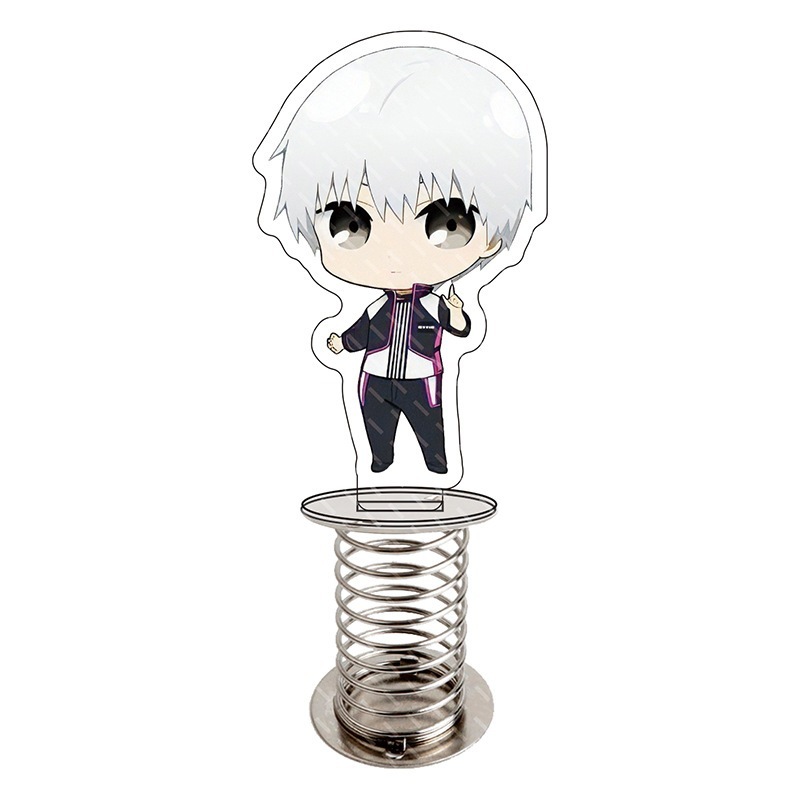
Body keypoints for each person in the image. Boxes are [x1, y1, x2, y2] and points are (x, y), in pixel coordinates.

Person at [266, 45, 536, 473]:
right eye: (350, 222)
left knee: (430, 429)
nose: (393, 255)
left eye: (446, 222)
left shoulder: (434, 305)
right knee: (377, 427)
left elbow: (459, 328)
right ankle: (380, 460)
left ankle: (437, 466)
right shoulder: (378, 307)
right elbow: (361, 332)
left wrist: (457, 313)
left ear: (488, 239)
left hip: (421, 378)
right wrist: (341, 343)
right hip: (376, 377)